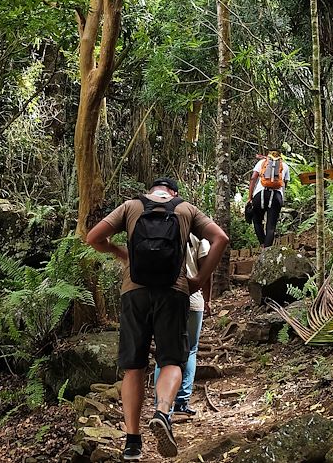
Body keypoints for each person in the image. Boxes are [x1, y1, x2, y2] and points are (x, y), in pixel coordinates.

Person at [86, 178, 228, 461]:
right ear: (172, 193)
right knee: (172, 361)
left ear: (150, 191)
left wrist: (119, 253)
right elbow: (221, 239)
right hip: (173, 293)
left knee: (133, 367)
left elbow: (93, 237)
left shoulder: (131, 206)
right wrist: (198, 280)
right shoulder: (186, 208)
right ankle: (163, 412)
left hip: (134, 293)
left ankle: (132, 442)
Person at [153, 233, 210, 417]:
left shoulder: (159, 231)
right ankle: (181, 401)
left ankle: (162, 407)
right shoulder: (196, 234)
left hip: (164, 298)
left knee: (164, 352)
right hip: (192, 298)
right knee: (191, 349)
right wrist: (208, 299)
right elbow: (206, 270)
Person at [248, 146, 290, 248]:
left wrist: (250, 197)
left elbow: (253, 178)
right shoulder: (284, 166)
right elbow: (285, 183)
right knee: (271, 226)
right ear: (280, 155)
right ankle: (267, 250)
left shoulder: (262, 163)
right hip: (276, 196)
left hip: (260, 194)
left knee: (257, 220)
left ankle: (262, 244)